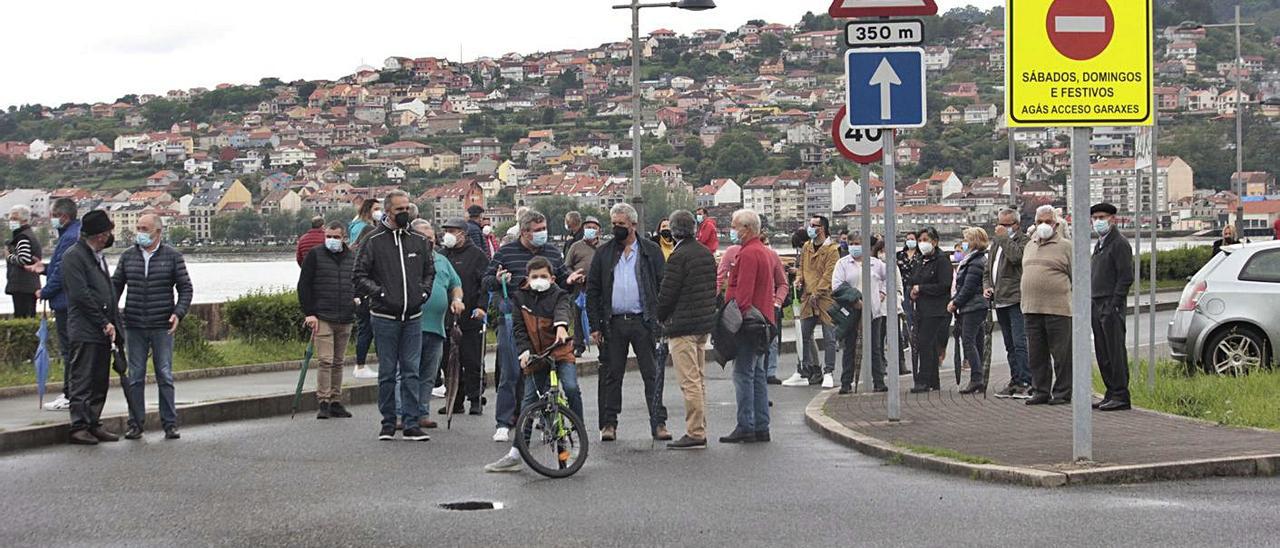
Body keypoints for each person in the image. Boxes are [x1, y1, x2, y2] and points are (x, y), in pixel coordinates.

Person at [484, 209, 584, 442]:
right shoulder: (506, 252)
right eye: (538, 231)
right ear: (525, 232)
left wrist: (569, 281)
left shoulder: (551, 251)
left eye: (544, 229)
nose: (543, 234)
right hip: (516, 316)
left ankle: (546, 421)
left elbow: (560, 280)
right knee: (511, 371)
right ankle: (504, 421)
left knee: (545, 375)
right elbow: (486, 280)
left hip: (547, 320)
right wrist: (498, 280)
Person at [353, 190, 436, 441]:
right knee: (388, 372)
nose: (404, 213)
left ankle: (411, 423)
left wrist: (423, 293)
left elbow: (429, 272)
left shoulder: (418, 241)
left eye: (407, 208)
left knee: (411, 371)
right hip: (384, 316)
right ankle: (388, 422)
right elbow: (359, 274)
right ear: (388, 211)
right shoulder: (373, 240)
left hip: (413, 316)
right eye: (399, 209)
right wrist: (379, 294)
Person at [587, 202, 670, 442]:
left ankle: (658, 423)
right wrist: (595, 325)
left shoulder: (650, 251)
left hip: (643, 321)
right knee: (612, 376)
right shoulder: (604, 253)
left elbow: (662, 284)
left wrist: (660, 319)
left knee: (652, 374)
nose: (616, 229)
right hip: (613, 323)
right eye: (613, 224)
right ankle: (609, 424)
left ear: (633, 225)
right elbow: (593, 290)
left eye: (621, 225)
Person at [111, 214, 193, 439]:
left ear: (158, 232)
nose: (140, 232)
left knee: (164, 374)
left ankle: (170, 423)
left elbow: (185, 288)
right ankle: (135, 423)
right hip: (134, 324)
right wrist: (110, 314)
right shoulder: (128, 256)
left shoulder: (172, 256)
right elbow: (115, 286)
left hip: (161, 325)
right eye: (138, 228)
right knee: (135, 375)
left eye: (144, 228)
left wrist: (178, 313)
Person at [655, 210, 717, 449]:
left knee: (688, 381)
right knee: (699, 379)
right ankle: (700, 427)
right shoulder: (705, 253)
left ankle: (695, 432)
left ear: (673, 230)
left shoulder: (678, 256)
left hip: (682, 326)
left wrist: (660, 317)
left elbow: (668, 293)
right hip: (702, 324)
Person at [62, 210, 121, 445]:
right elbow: (80, 295)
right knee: (82, 379)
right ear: (99, 235)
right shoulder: (74, 256)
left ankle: (93, 422)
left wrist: (113, 322)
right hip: (86, 328)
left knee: (99, 379)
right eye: (107, 233)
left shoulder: (97, 255)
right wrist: (103, 321)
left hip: (102, 329)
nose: (109, 237)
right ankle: (79, 425)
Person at [720, 209, 775, 444]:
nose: (732, 231)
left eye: (735, 227)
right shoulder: (763, 252)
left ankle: (746, 425)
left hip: (749, 323)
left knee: (743, 374)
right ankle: (761, 424)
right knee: (758, 374)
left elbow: (743, 292)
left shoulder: (748, 254)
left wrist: (734, 320)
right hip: (763, 319)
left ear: (747, 228)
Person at [407, 219, 464, 428]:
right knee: (407, 372)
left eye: (431, 239)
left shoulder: (441, 260)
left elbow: (455, 284)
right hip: (412, 325)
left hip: (437, 326)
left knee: (429, 374)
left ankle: (422, 413)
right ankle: (401, 414)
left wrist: (457, 300)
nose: (429, 242)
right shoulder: (407, 259)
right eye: (424, 238)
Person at [298, 221, 356, 420]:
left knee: (339, 362)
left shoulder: (352, 257)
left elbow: (358, 281)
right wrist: (309, 313)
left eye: (336, 237)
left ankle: (335, 400)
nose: (332, 240)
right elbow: (304, 284)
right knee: (325, 360)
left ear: (344, 238)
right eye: (329, 236)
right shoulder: (315, 255)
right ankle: (323, 400)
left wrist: (358, 300)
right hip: (323, 315)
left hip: (345, 315)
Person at [1022, 205, 1073, 406]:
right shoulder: (1030, 245)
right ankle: (1040, 390)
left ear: (1056, 223)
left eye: (1048, 221)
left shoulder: (1066, 246)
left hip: (1058, 309)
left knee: (1061, 354)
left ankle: (1062, 392)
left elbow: (1077, 276)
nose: (1044, 225)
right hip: (1031, 308)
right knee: (1036, 354)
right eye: (1040, 221)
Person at [439, 218, 490, 416]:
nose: (448, 234)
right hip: (446, 318)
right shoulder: (442, 255)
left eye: (452, 230)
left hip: (470, 316)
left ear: (463, 233)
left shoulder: (477, 255)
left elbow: (485, 285)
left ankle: (475, 399)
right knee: (448, 361)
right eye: (446, 230)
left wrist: (482, 307)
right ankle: (455, 399)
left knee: (472, 360)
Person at [38, 198, 83, 411]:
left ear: (63, 216)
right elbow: (58, 266)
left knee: (69, 350)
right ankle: (72, 392)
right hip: (70, 300)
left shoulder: (69, 238)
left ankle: (69, 394)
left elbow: (63, 271)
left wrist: (45, 291)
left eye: (53, 216)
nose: (52, 220)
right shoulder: (74, 233)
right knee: (72, 349)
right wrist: (44, 268)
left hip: (65, 302)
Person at [1090, 203, 1135, 411]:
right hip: (1097, 301)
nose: (1098, 221)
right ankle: (1110, 391)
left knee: (1115, 350)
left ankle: (1120, 394)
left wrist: (1115, 303)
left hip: (1110, 303)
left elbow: (1126, 276)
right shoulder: (1100, 244)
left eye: (1102, 217)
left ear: (1113, 219)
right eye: (1095, 217)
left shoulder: (1119, 243)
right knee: (1103, 351)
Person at [786, 215, 839, 388]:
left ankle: (828, 371)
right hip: (807, 297)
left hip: (825, 297)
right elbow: (802, 268)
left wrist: (818, 292)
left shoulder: (832, 249)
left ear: (822, 228)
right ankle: (805, 369)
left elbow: (829, 274)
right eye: (810, 225)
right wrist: (799, 279)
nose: (810, 228)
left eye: (814, 225)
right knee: (803, 335)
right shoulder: (807, 247)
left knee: (829, 336)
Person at [984, 208, 1032, 398]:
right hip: (1000, 299)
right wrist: (987, 286)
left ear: (1016, 225)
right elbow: (987, 269)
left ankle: (1026, 380)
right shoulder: (996, 243)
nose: (1001, 228)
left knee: (1020, 342)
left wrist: (1004, 238)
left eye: (1006, 225)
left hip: (1015, 298)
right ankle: (1015, 378)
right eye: (1000, 224)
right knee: (1009, 344)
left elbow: (1017, 258)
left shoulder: (1024, 241)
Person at [831, 233, 887, 394]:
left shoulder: (876, 264)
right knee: (850, 347)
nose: (855, 246)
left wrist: (882, 293)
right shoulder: (842, 264)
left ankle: (879, 381)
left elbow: (888, 278)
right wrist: (853, 300)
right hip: (851, 312)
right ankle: (846, 382)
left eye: (858, 243)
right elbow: (837, 286)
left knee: (875, 347)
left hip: (873, 311)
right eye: (852, 243)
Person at [908, 226, 952, 393]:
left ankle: (923, 379)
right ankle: (933, 380)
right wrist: (913, 289)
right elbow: (913, 279)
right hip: (921, 308)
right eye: (920, 241)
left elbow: (944, 285)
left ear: (934, 241)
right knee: (929, 344)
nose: (922, 244)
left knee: (924, 342)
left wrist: (922, 288)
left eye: (925, 240)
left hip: (936, 309)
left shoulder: (942, 260)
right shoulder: (921, 260)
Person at [949, 227, 990, 394]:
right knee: (977, 340)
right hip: (976, 305)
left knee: (968, 340)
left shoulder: (975, 262)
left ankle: (976, 377)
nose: (964, 243)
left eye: (966, 240)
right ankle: (978, 376)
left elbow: (968, 287)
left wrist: (955, 303)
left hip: (973, 306)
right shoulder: (975, 260)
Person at [565, 216, 601, 357]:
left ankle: (601, 343)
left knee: (599, 314)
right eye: (588, 227)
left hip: (598, 287)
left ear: (599, 230)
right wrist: (574, 276)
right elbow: (567, 266)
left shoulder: (603, 246)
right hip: (580, 287)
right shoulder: (575, 246)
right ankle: (579, 345)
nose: (590, 230)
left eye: (593, 227)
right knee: (578, 314)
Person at [6, 205, 42, 318]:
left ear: (24, 220)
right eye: (10, 219)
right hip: (28, 286)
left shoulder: (22, 237)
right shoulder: (27, 234)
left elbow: (24, 259)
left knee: (23, 315)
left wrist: (9, 257)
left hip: (23, 286)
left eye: (14, 219)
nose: (11, 221)